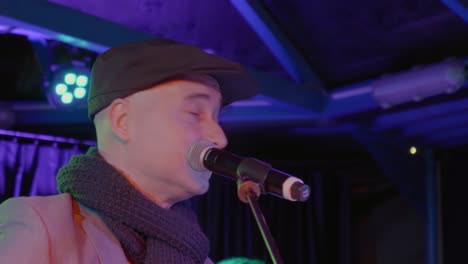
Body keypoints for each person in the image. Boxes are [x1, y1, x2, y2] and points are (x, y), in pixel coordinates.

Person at [0, 38, 258, 263]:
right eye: (194, 113)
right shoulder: (42, 226)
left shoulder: (197, 256)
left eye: (216, 117)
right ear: (122, 121)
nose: (219, 137)